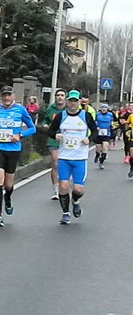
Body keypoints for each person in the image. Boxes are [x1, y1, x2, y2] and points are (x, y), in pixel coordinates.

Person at [0, 86, 36, 227]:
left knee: (8, 184)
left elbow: (32, 128)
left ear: (13, 96)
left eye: (9, 95)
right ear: (1, 96)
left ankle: (7, 198)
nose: (6, 98)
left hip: (13, 149)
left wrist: (20, 135)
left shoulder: (20, 110)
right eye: (4, 95)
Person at [48, 90, 98, 225]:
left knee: (78, 189)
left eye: (75, 101)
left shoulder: (85, 116)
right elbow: (50, 131)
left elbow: (95, 131)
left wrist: (89, 139)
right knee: (63, 186)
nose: (73, 103)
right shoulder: (60, 116)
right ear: (67, 102)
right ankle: (65, 213)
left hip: (80, 158)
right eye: (70, 100)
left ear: (79, 102)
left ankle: (75, 201)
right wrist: (55, 135)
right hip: (64, 157)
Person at [42, 88, 67, 200]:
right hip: (53, 139)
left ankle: (64, 185)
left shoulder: (70, 109)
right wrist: (45, 125)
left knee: (65, 165)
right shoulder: (51, 109)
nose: (60, 97)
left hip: (67, 140)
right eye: (58, 95)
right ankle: (56, 190)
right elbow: (45, 120)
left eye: (62, 95)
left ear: (65, 97)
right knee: (55, 163)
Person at [94, 103, 113, 169]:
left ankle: (101, 162)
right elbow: (94, 122)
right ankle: (97, 154)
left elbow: (112, 122)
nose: (104, 109)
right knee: (98, 148)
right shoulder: (97, 114)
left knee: (105, 146)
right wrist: (96, 127)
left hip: (106, 133)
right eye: (102, 107)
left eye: (105, 108)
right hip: (99, 132)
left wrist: (112, 127)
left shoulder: (110, 115)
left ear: (107, 109)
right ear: (100, 109)